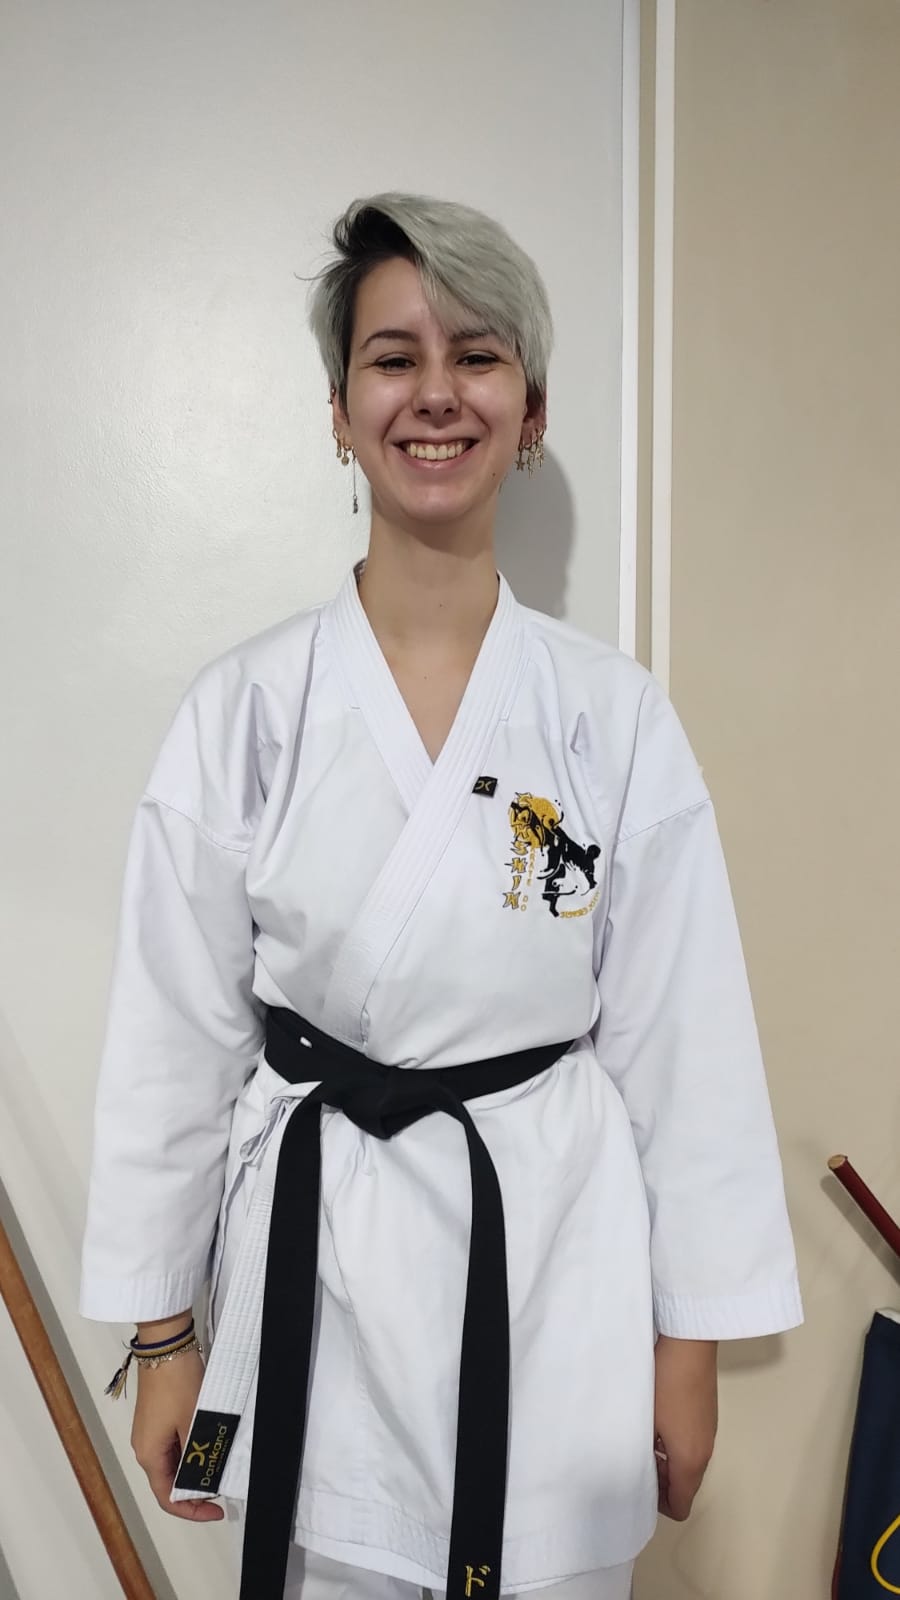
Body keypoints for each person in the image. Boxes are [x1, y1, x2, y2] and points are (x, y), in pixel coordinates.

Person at [80, 194, 803, 1600]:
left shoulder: (611, 718)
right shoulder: (246, 712)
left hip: (549, 1269)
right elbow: (172, 1043)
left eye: (477, 355)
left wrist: (689, 1341)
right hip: (323, 1269)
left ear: (532, 411)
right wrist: (165, 1338)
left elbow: (685, 1041)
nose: (435, 393)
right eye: (392, 357)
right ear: (339, 410)